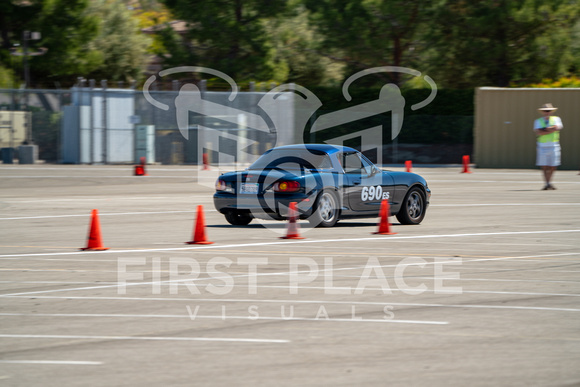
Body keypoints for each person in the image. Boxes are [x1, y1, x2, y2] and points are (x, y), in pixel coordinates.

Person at [533, 103, 563, 190]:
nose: (547, 112)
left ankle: (549, 182)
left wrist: (544, 130)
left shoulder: (557, 119)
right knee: (544, 166)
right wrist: (551, 129)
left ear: (551, 111)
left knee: (553, 165)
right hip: (542, 146)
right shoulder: (538, 121)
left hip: (554, 145)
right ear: (542, 112)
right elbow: (538, 132)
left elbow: (557, 128)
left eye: (549, 111)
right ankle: (547, 183)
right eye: (545, 111)